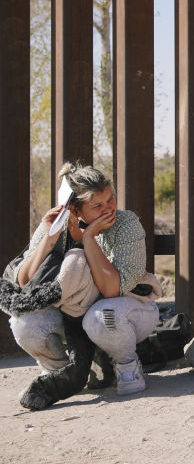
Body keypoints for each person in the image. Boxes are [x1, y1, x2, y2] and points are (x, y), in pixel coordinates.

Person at [7, 163, 160, 409]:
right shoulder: (57, 223)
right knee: (24, 323)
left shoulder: (126, 224)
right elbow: (25, 282)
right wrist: (48, 239)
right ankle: (62, 371)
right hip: (72, 317)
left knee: (101, 317)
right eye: (97, 206)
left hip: (126, 311)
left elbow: (112, 290)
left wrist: (89, 239)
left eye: (110, 199)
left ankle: (127, 365)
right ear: (75, 210)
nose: (109, 208)